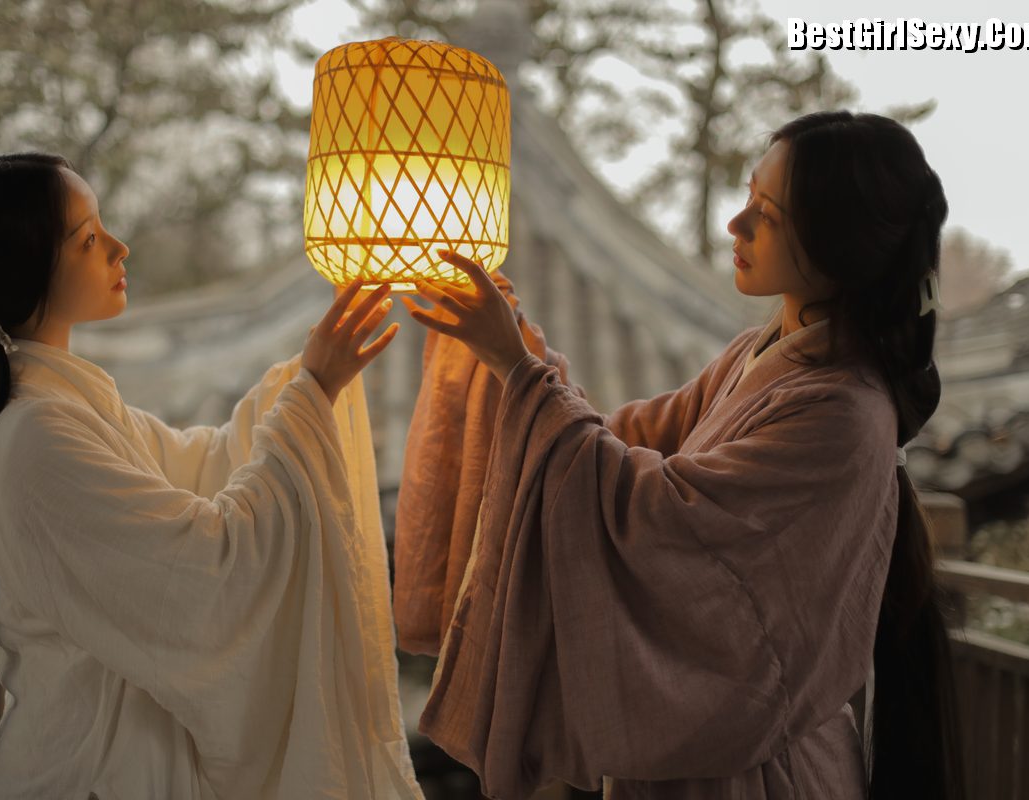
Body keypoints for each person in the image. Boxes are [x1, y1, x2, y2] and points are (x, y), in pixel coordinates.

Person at [400, 111, 964, 799]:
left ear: (839, 241)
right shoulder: (761, 353)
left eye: (768, 214)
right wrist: (522, 360)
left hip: (762, 776)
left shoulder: (843, 413)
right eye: (749, 195)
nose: (736, 223)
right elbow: (628, 439)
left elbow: (657, 517)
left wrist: (520, 373)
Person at [0, 153, 421, 799]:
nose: (119, 247)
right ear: (26, 269)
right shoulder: (37, 436)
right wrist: (310, 393)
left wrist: (306, 383)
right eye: (89, 239)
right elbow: (208, 570)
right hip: (85, 779)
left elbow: (203, 464)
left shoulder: (65, 409)